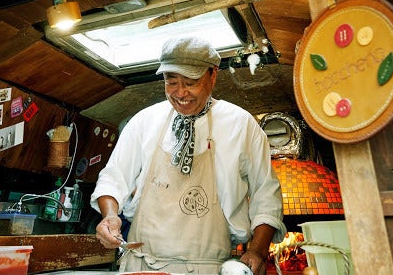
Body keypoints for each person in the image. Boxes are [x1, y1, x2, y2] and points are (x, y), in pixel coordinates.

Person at [90, 36, 286, 274]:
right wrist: (110, 216)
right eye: (171, 82)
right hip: (141, 264)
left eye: (191, 82)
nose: (180, 93)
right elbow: (113, 178)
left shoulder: (241, 124)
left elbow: (266, 194)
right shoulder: (144, 121)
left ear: (213, 75)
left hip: (208, 267)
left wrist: (258, 250)